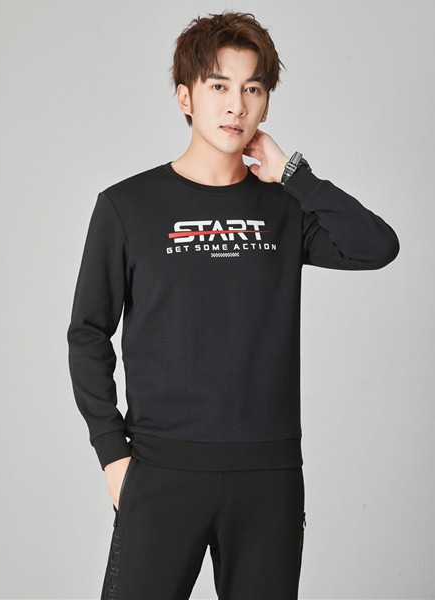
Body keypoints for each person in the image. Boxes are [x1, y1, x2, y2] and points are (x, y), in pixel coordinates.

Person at [66, 10, 400, 600]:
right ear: (185, 97)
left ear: (265, 106)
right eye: (219, 86)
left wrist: (296, 177)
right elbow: (87, 334)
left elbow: (377, 247)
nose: (235, 106)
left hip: (268, 475)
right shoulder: (127, 206)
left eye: (252, 89)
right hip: (161, 470)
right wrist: (112, 454)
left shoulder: (286, 209)